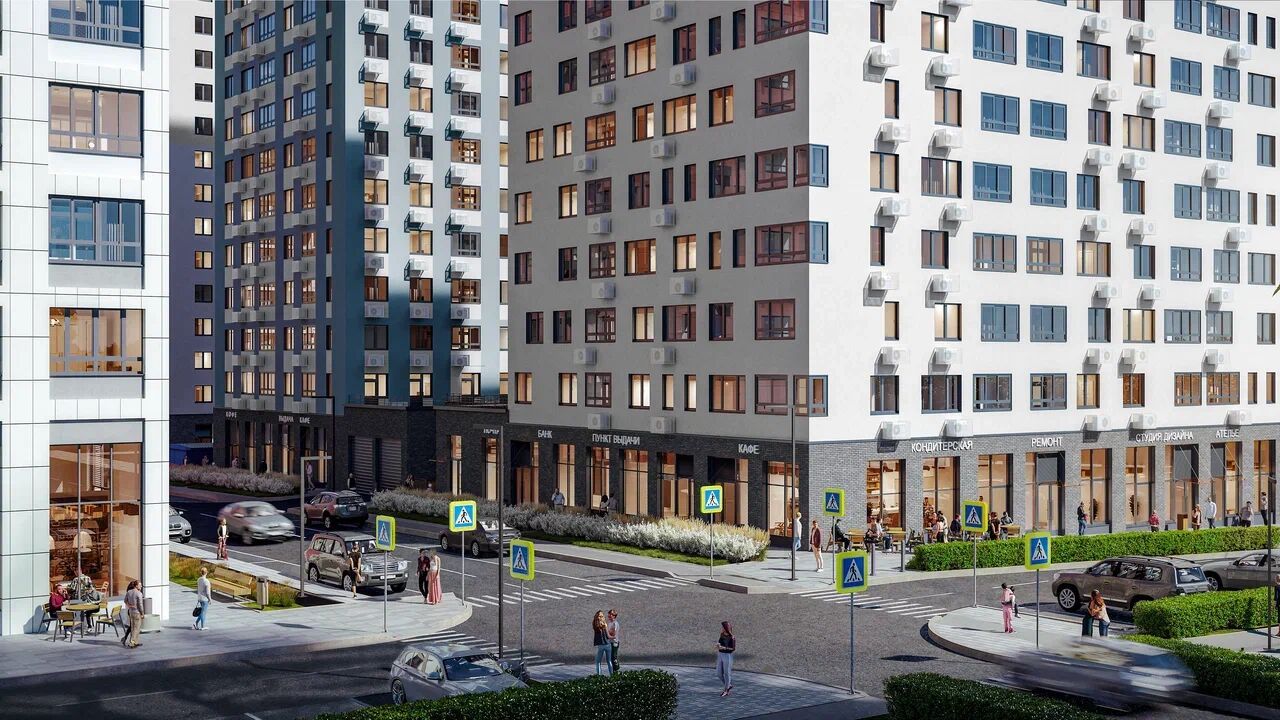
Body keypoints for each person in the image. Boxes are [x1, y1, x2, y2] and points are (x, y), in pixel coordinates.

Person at [716, 621, 735, 697]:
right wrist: (718, 645)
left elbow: (733, 648)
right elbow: (719, 643)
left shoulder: (732, 637)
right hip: (720, 654)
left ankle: (726, 690)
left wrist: (724, 648)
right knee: (719, 673)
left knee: (727, 673)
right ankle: (728, 685)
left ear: (726, 628)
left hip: (727, 656)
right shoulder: (722, 635)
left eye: (723, 627)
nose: (722, 628)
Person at [123, 580, 144, 648]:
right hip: (137, 612)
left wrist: (129, 606)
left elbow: (125, 600)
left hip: (131, 612)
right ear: (136, 586)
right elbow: (140, 605)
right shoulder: (139, 593)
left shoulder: (129, 592)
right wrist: (142, 613)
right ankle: (132, 643)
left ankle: (135, 642)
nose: (141, 586)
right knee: (136, 628)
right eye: (140, 585)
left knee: (133, 627)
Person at [592, 611, 613, 676]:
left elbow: (595, 621)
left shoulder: (595, 625)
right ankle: (612, 675)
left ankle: (599, 676)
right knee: (609, 661)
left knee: (598, 662)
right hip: (608, 644)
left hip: (600, 645)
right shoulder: (605, 624)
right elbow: (608, 636)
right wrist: (614, 637)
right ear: (602, 617)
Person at [606, 609, 621, 674]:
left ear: (614, 616)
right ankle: (614, 671)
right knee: (611, 657)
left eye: (610, 615)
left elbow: (613, 634)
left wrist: (607, 633)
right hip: (610, 642)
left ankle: (616, 670)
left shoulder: (615, 624)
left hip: (614, 642)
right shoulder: (609, 623)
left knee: (614, 657)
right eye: (609, 614)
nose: (609, 616)